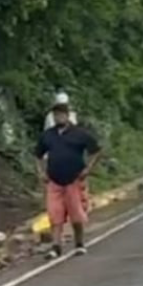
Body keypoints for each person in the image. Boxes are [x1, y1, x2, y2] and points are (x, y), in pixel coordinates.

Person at [35, 100, 102, 258]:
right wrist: (41, 172)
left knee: (76, 213)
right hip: (54, 180)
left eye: (61, 115)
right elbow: (38, 155)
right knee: (54, 214)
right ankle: (56, 246)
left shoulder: (79, 134)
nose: (59, 118)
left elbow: (96, 150)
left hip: (74, 179)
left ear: (67, 115)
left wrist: (88, 169)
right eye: (56, 115)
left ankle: (79, 243)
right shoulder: (48, 135)